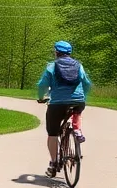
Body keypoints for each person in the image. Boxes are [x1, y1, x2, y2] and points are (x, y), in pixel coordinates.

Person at [36, 40, 92, 178]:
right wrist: (83, 97)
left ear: (56, 52)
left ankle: (54, 163)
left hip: (57, 104)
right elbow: (87, 83)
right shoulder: (79, 66)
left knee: (53, 133)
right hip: (78, 101)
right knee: (77, 111)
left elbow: (42, 85)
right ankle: (77, 131)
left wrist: (41, 97)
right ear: (69, 53)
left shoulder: (51, 67)